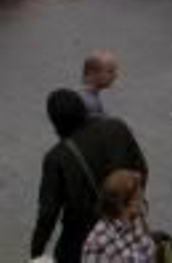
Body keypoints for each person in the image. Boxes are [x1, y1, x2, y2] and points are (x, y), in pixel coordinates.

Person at [32, 90, 148, 263]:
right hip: (126, 224)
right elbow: (142, 170)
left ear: (55, 122)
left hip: (80, 239)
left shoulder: (57, 158)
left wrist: (36, 252)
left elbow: (48, 213)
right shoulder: (117, 127)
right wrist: (128, 204)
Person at [79, 168, 157, 263]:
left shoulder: (136, 220)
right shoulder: (97, 244)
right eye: (138, 199)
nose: (142, 203)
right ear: (122, 205)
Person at [79, 50, 120, 118]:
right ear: (91, 73)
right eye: (110, 71)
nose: (115, 75)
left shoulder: (88, 97)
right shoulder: (89, 103)